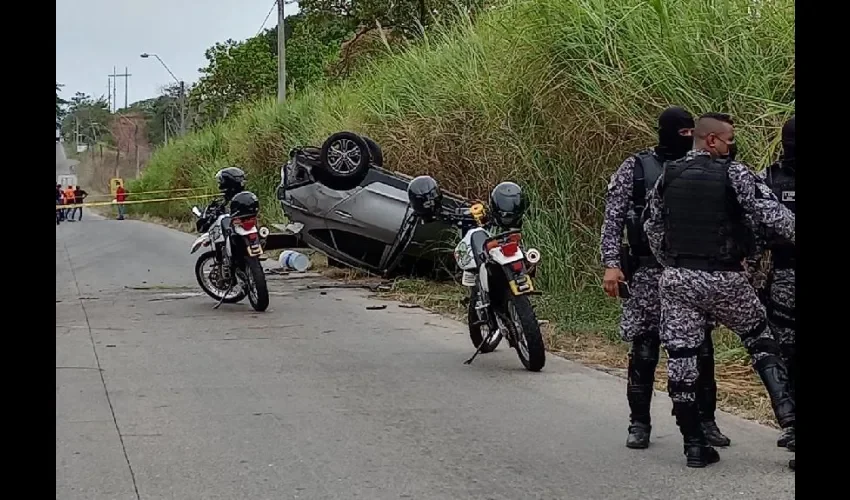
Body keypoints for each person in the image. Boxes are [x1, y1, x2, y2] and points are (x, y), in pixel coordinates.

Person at [643, 112, 795, 468]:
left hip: (679, 280)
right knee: (762, 340)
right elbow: (772, 216)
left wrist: (673, 264)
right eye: (729, 140)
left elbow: (652, 227)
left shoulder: (669, 173)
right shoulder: (734, 173)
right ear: (711, 140)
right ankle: (790, 420)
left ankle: (694, 445)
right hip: (725, 279)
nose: (732, 146)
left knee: (682, 358)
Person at [600, 106, 730, 450]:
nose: (687, 139)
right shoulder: (637, 168)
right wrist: (612, 264)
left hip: (690, 272)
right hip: (645, 274)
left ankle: (706, 421)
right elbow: (613, 219)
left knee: (700, 350)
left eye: (692, 133)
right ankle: (639, 423)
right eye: (681, 133)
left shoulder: (704, 166)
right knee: (644, 350)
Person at [758, 116, 796, 467]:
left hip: (785, 275)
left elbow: (752, 231)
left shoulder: (769, 179)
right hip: (783, 273)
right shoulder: (767, 178)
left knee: (786, 351)